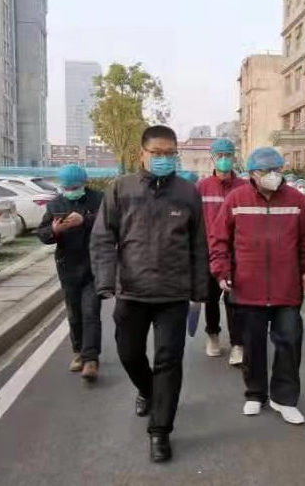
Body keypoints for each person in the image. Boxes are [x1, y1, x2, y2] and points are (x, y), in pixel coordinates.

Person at [90, 125, 208, 463]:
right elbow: (102, 238)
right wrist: (105, 280)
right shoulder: (121, 189)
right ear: (142, 154)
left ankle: (160, 432)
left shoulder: (188, 192)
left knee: (169, 361)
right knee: (129, 354)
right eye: (157, 153)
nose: (164, 159)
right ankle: (147, 390)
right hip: (132, 292)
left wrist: (200, 290)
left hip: (173, 294)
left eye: (170, 153)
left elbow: (198, 244)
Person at [209, 147, 305, 425]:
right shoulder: (236, 199)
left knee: (290, 342)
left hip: (287, 289)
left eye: (276, 170)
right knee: (253, 346)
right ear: (253, 175)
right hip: (248, 288)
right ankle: (255, 394)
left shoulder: (297, 201)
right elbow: (219, 239)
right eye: (266, 172)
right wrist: (222, 271)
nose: (272, 176)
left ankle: (285, 398)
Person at [37, 165, 103, 381]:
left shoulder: (98, 200)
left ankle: (91, 358)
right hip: (68, 265)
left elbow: (110, 225)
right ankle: (78, 352)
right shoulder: (56, 204)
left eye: (75, 187)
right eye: (67, 187)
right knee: (74, 312)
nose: (71, 190)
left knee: (91, 311)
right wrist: (55, 231)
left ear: (84, 183)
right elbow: (43, 234)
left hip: (94, 264)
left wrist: (85, 221)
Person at [196, 138, 247, 363]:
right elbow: (194, 221)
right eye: (220, 156)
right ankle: (213, 335)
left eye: (228, 155)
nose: (224, 160)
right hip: (209, 251)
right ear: (213, 158)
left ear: (234, 157)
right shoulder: (202, 187)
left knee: (234, 300)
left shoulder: (244, 187)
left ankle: (237, 343)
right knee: (210, 298)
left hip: (237, 252)